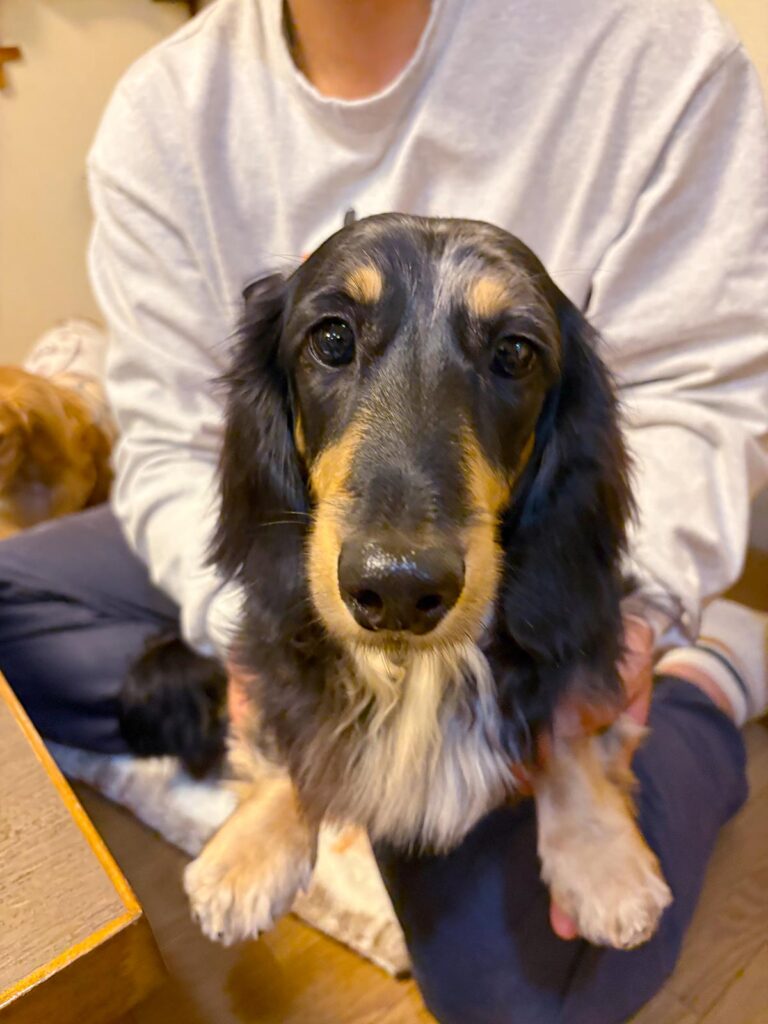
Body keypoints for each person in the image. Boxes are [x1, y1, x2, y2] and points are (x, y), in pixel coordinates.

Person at [1, 1, 767, 1020]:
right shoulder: (167, 107)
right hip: (279, 532)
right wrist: (264, 666)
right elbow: (177, 439)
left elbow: (696, 391)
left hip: (533, 564)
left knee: (525, 996)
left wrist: (628, 629)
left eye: (509, 356)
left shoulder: (655, 49)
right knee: (14, 608)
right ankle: (306, 766)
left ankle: (708, 676)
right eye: (332, 342)